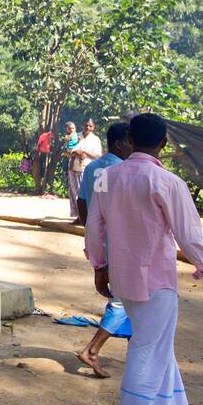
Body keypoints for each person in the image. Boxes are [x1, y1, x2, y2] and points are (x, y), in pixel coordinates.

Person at [84, 113, 203, 405]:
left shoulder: (107, 178)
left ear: (131, 141)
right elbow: (189, 236)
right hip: (156, 282)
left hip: (123, 278)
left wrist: (99, 267)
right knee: (149, 351)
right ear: (163, 145)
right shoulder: (167, 182)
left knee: (157, 348)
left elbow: (95, 227)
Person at [74, 121, 133, 377]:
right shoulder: (125, 171)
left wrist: (92, 234)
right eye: (132, 142)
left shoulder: (93, 168)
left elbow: (82, 202)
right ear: (121, 143)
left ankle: (137, 350)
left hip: (101, 240)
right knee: (122, 299)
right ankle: (92, 350)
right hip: (123, 243)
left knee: (134, 297)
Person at [67, 119, 102, 218]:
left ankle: (85, 216)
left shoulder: (95, 139)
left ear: (93, 127)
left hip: (87, 169)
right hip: (73, 168)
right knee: (74, 193)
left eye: (90, 126)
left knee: (83, 194)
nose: (88, 128)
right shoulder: (76, 136)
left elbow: (97, 156)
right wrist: (75, 153)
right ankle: (78, 216)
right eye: (86, 125)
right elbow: (69, 149)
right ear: (83, 125)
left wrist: (85, 153)